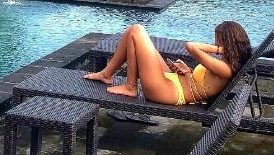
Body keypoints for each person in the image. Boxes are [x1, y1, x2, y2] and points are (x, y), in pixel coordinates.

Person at [84, 22, 252, 105]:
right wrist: (188, 71)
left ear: (226, 42)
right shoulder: (224, 64)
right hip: (175, 81)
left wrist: (219, 49)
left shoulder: (225, 68)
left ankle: (130, 87)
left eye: (217, 40)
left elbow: (190, 46)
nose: (214, 42)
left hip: (170, 92)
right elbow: (206, 84)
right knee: (132, 32)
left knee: (137, 30)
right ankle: (106, 74)